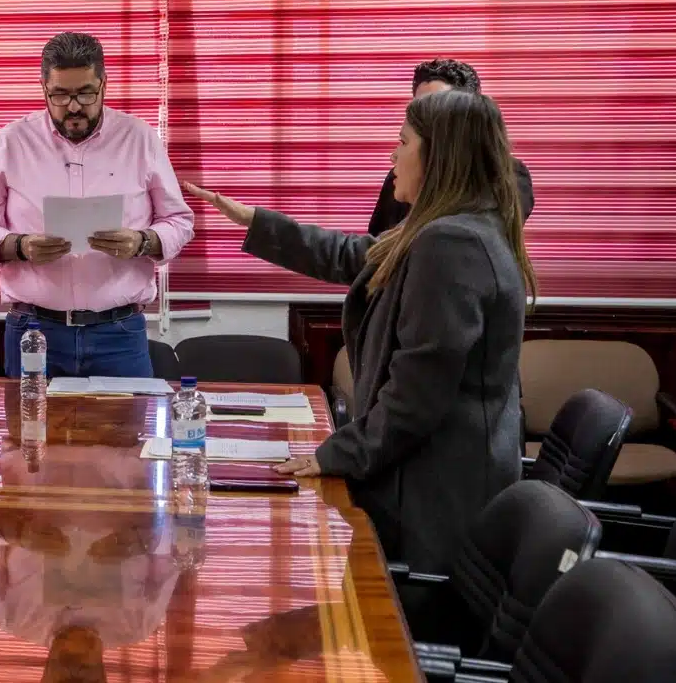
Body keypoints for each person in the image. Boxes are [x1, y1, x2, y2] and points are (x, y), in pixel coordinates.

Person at [185, 89, 534, 584]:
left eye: (403, 141)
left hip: (434, 502)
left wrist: (333, 455)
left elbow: (416, 398)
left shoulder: (450, 242)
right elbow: (355, 255)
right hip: (436, 481)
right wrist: (255, 222)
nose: (392, 155)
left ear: (438, 155)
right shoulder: (454, 227)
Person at [0, 32, 194, 378]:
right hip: (33, 332)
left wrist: (142, 242)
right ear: (44, 89)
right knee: (32, 432)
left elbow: (179, 221)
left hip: (119, 334)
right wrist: (21, 246)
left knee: (125, 433)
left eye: (85, 93)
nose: (73, 106)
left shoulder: (140, 139)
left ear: (104, 85)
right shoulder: (12, 142)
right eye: (60, 94)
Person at [367, 58, 535, 236]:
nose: (425, 118)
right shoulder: (400, 176)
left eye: (438, 109)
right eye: (420, 107)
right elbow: (374, 246)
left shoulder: (506, 174)